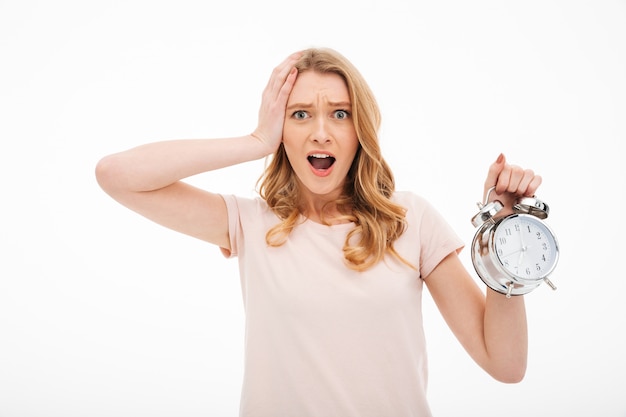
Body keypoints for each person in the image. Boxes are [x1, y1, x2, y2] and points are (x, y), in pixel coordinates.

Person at [95, 47, 541, 417]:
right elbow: (116, 174)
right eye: (301, 114)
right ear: (282, 131)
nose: (321, 133)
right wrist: (254, 142)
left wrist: (504, 235)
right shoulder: (251, 225)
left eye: (340, 114)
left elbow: (505, 364)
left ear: (360, 129)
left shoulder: (410, 220)